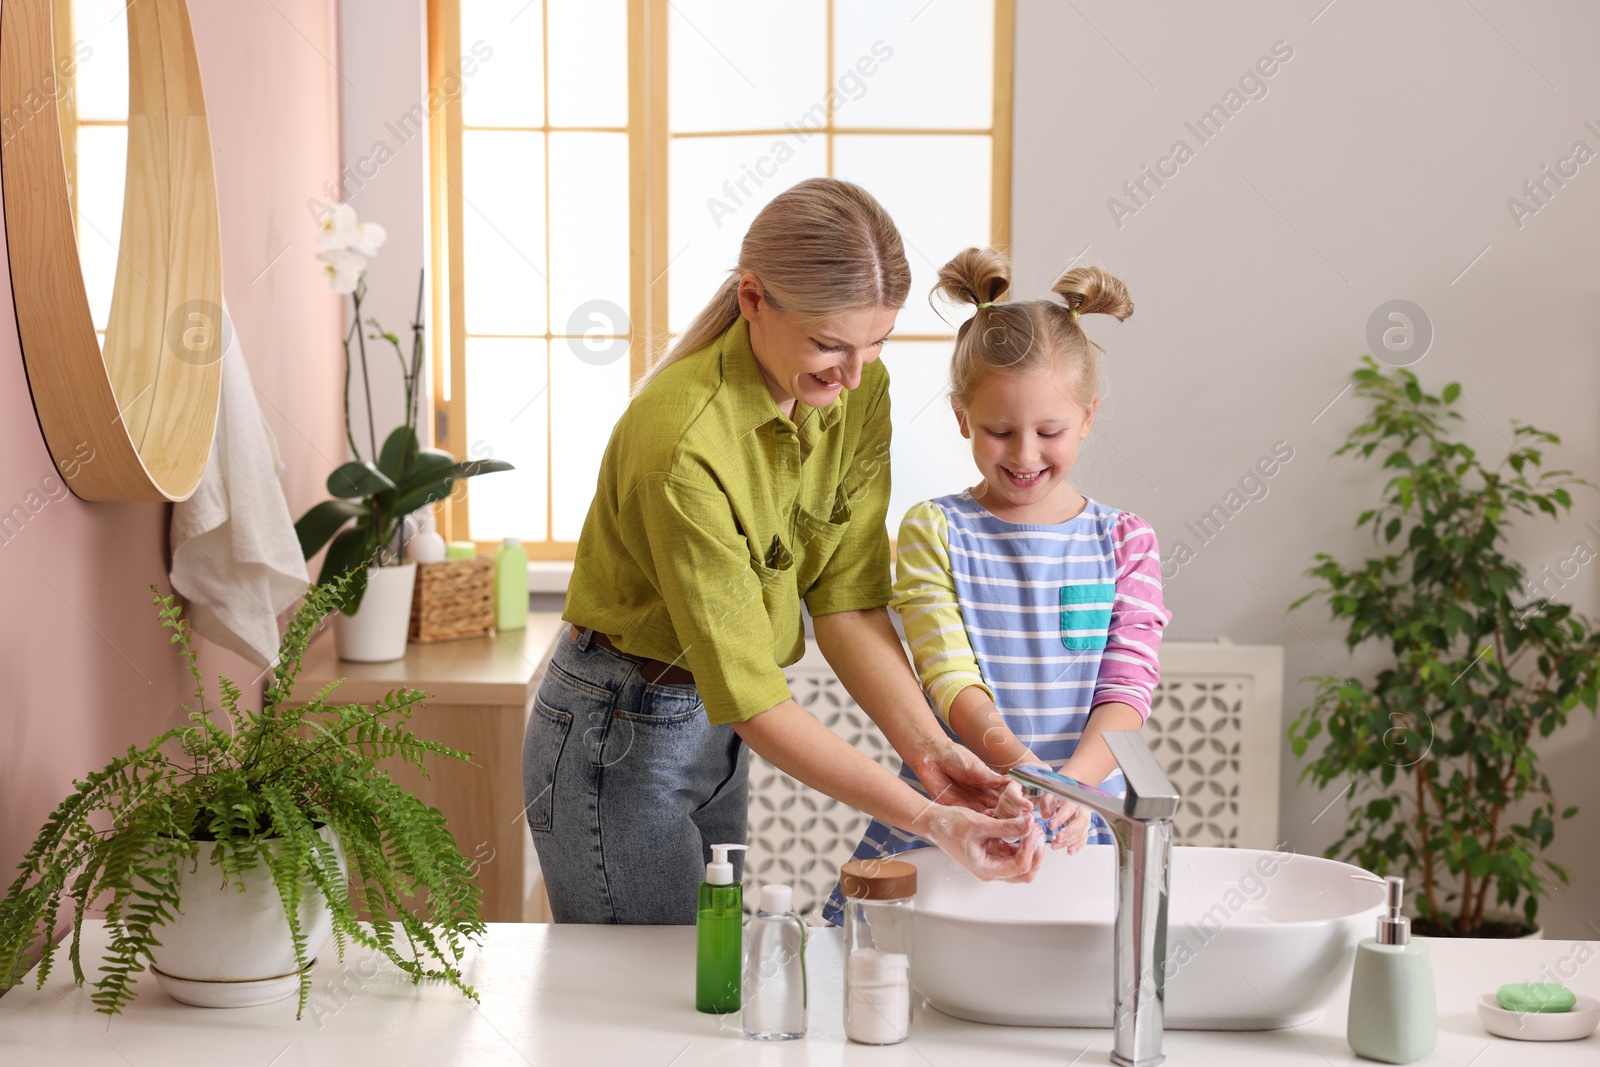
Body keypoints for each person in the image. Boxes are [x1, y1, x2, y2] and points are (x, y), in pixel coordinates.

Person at [522, 180, 1046, 925]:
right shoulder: (679, 445)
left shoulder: (855, 393)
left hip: (712, 721)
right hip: (619, 730)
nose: (855, 374)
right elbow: (757, 701)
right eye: (830, 345)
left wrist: (932, 750)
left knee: (708, 979)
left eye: (877, 343)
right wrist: (933, 819)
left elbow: (846, 598)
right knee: (645, 1005)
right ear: (753, 299)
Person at [824, 247, 1171, 924]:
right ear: (961, 417)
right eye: (999, 430)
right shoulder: (935, 531)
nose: (1024, 454)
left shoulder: (1125, 542)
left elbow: (1127, 692)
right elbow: (950, 678)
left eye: (1050, 431)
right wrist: (1023, 773)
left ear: (1089, 416)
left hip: (1086, 807)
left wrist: (1075, 783)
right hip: (965, 804)